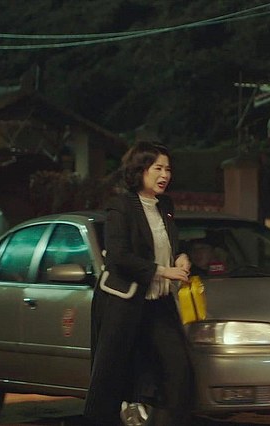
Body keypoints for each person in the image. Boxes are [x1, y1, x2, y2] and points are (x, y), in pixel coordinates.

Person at [84, 141, 194, 426]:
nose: (165, 175)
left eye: (168, 169)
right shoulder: (121, 207)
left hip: (158, 303)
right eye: (158, 168)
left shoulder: (165, 206)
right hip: (125, 303)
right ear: (140, 170)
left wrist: (180, 257)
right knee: (112, 378)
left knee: (178, 370)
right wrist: (163, 271)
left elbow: (166, 245)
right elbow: (118, 257)